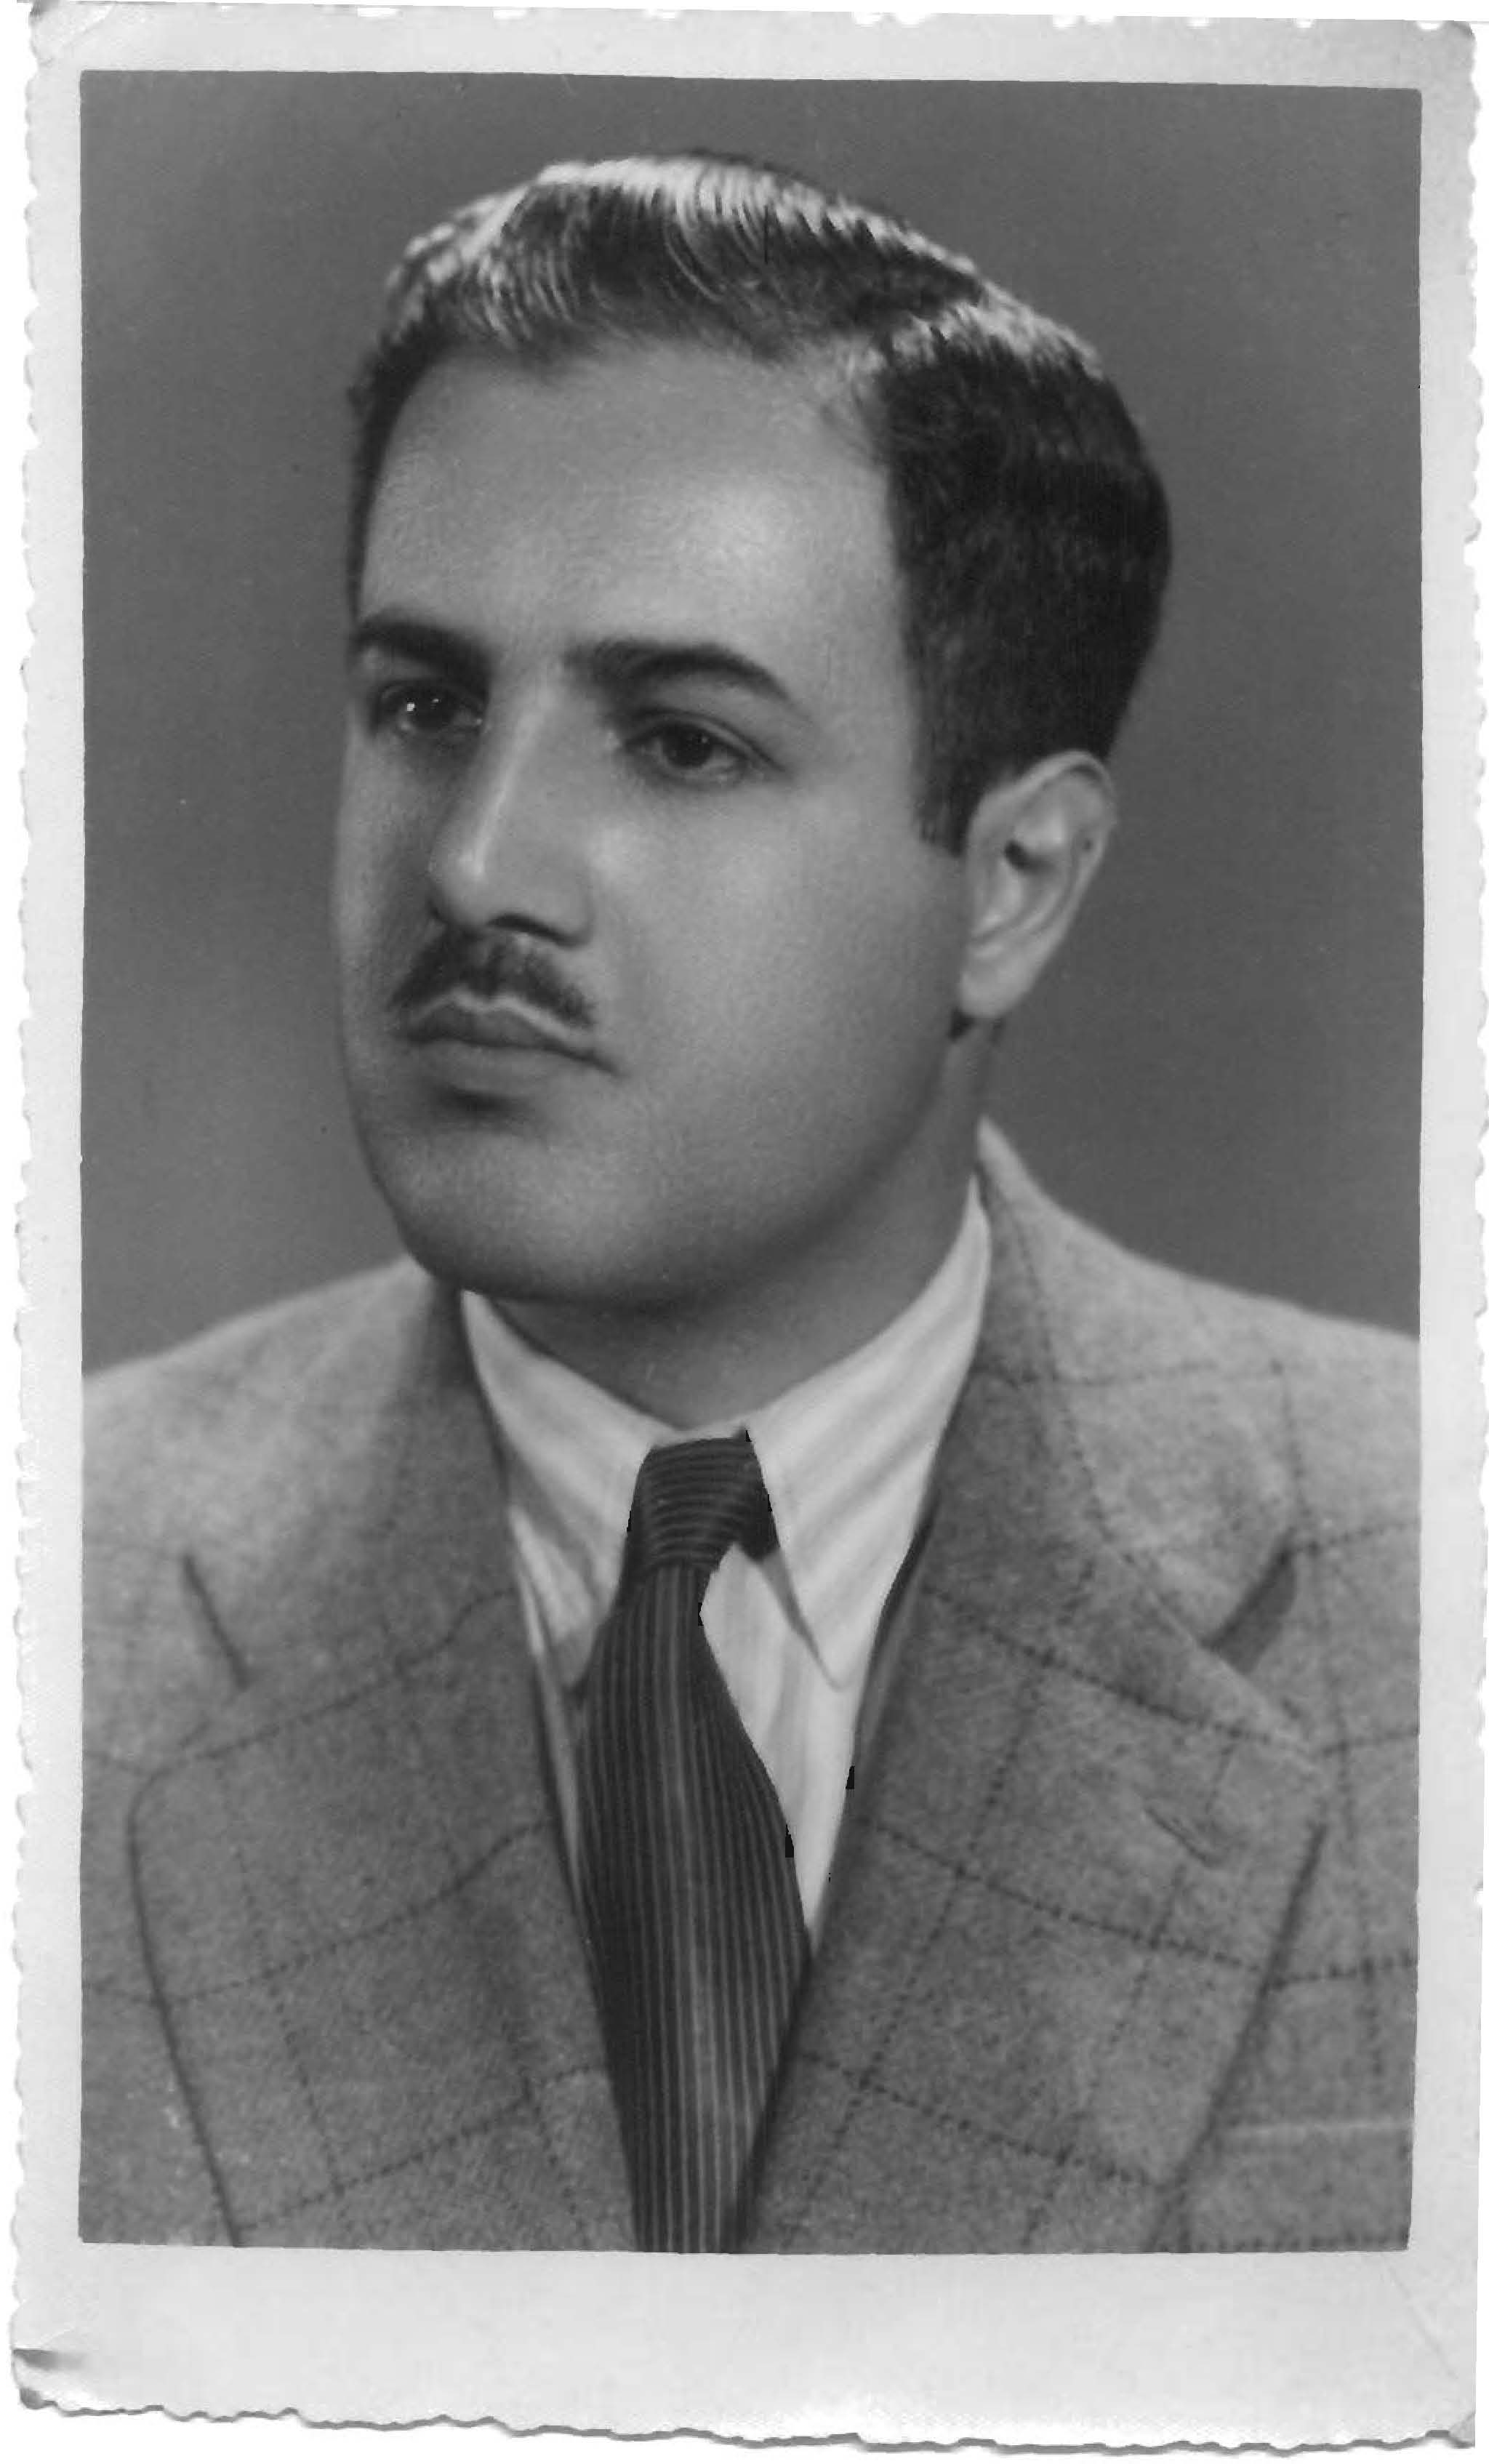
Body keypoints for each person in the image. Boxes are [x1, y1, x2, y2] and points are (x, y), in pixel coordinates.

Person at [82, 152, 1417, 2254]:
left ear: (1014, 886)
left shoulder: (1433, 1597)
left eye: (684, 744)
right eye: (425, 704)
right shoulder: (55, 1598)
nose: (476, 863)